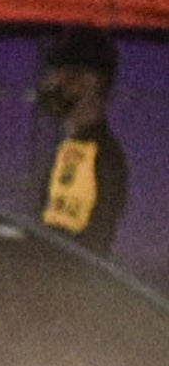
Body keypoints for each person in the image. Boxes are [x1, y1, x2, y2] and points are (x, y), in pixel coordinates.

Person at [38, 26, 129, 256]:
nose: (53, 83)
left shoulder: (94, 154)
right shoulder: (73, 148)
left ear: (91, 82)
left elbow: (76, 242)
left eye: (66, 75)